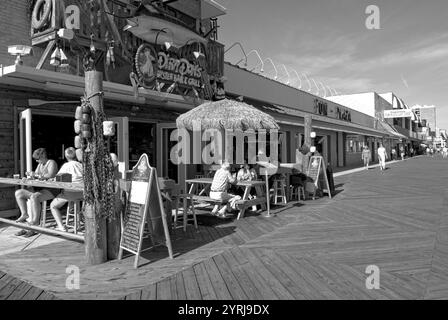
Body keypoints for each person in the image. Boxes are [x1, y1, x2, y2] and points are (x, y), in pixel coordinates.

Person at [14, 148, 59, 237]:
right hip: (41, 190)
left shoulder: (51, 163)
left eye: (37, 159)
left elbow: (50, 175)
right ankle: (24, 214)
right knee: (19, 193)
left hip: (52, 190)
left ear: (43, 156)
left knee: (34, 197)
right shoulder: (40, 165)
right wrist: (29, 176)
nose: (36, 161)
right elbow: (37, 176)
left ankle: (35, 223)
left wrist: (36, 175)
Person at [49, 148, 83, 232]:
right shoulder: (81, 165)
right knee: (74, 201)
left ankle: (61, 226)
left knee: (53, 206)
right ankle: (78, 223)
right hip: (83, 194)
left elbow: (58, 179)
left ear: (66, 156)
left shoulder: (66, 165)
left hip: (70, 194)